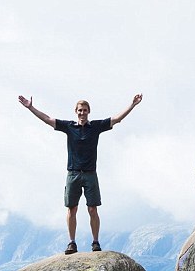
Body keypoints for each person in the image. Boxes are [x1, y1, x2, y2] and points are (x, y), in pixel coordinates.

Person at [17, 94, 143, 254]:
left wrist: (132, 105)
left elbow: (116, 119)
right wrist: (30, 107)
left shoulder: (96, 127)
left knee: (93, 209)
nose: (82, 113)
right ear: (75, 112)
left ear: (88, 112)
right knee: (72, 208)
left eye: (84, 110)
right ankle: (72, 243)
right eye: (79, 110)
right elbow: (47, 119)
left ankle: (95, 242)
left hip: (90, 174)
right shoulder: (69, 126)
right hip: (73, 173)